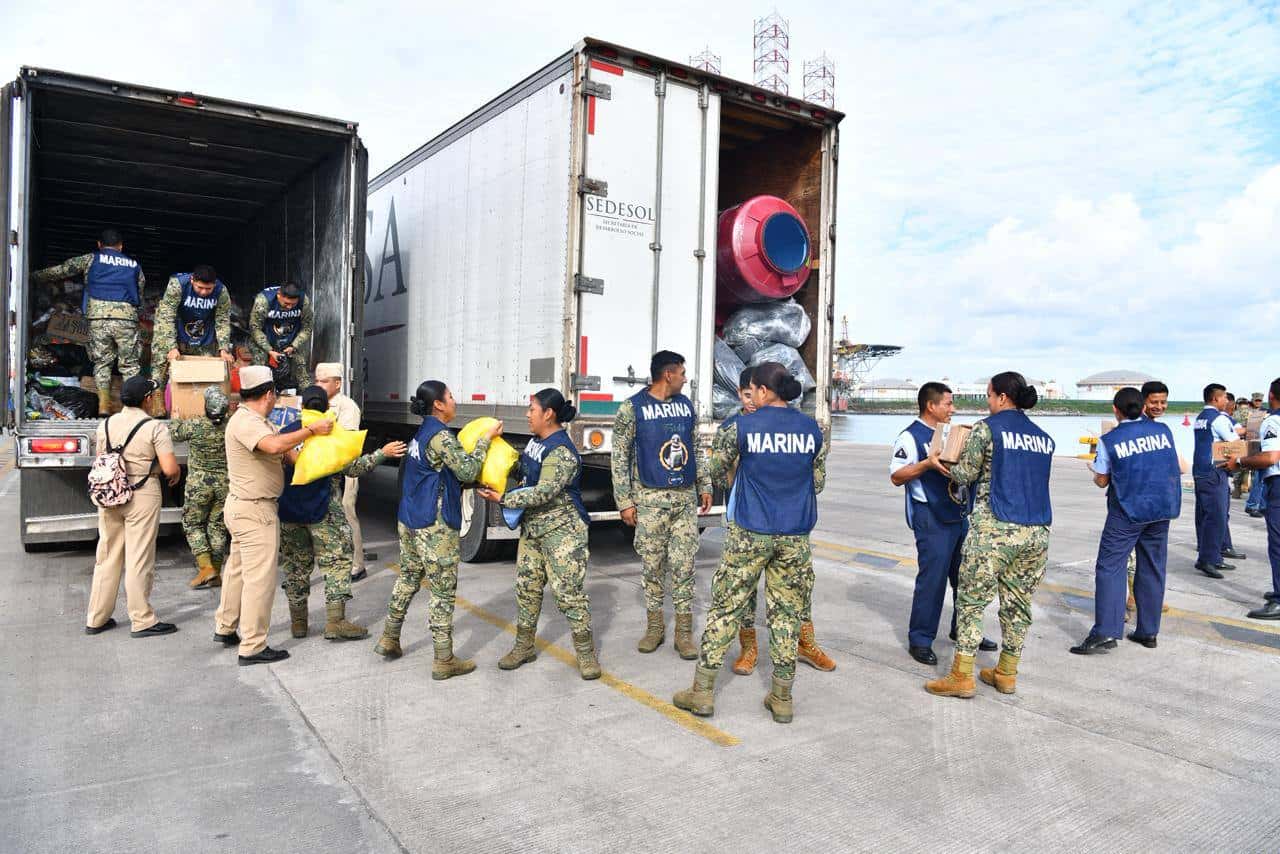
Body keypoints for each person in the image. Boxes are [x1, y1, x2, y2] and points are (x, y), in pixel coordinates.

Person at [673, 362, 828, 723]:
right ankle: (782, 697)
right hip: (795, 535)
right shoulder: (811, 429)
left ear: (762, 391)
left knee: (725, 609)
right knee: (786, 615)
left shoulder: (742, 427)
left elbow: (715, 471)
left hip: (750, 531)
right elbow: (818, 482)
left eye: (754, 389)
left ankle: (702, 692)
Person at [926, 371, 1054, 699]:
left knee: (970, 601)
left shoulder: (987, 429)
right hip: (1037, 531)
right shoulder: (1043, 437)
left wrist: (940, 462)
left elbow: (965, 474)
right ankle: (1006, 673)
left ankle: (961, 676)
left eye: (988, 395)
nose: (988, 401)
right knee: (1018, 603)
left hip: (994, 529)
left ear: (1001, 397)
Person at [373, 380, 498, 679]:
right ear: (439, 405)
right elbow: (467, 470)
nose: (454, 401)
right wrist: (485, 440)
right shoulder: (441, 436)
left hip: (410, 517)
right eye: (450, 397)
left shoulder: (421, 433)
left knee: (408, 578)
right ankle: (444, 659)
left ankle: (389, 637)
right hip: (434, 524)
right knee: (442, 591)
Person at [214, 365, 334, 665]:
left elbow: (287, 455)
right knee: (259, 581)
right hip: (255, 511)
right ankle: (253, 646)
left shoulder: (258, 421)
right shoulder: (247, 422)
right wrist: (311, 430)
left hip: (245, 508)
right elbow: (274, 445)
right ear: (268, 394)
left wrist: (320, 453)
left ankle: (226, 627)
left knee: (237, 571)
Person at [479, 389, 600, 680]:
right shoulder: (537, 442)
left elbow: (544, 491)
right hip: (533, 529)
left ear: (548, 414)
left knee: (568, 595)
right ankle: (524, 647)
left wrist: (503, 499)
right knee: (527, 588)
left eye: (532, 409)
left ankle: (586, 655)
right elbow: (525, 472)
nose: (527, 414)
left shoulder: (561, 451)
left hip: (562, 533)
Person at [279, 385, 406, 642]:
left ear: (302, 406)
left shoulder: (286, 434)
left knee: (295, 567)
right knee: (336, 563)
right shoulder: (333, 435)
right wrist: (382, 453)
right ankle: (335, 622)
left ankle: (299, 623)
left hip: (289, 512)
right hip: (324, 512)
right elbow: (354, 468)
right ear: (327, 407)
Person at [611, 350, 712, 658]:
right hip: (650, 501)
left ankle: (683, 633)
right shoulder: (632, 408)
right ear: (668, 374)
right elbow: (619, 457)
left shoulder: (686, 406)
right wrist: (624, 501)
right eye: (682, 373)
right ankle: (655, 628)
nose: (685, 378)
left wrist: (705, 484)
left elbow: (695, 447)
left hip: (683, 500)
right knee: (652, 567)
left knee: (684, 566)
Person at [889, 382, 995, 665]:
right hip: (932, 517)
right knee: (933, 581)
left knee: (967, 579)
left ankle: (964, 630)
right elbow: (897, 476)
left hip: (959, 514)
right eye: (948, 404)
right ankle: (921, 640)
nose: (953, 409)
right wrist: (926, 464)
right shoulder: (911, 436)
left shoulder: (951, 433)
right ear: (930, 406)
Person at [1071, 387, 1181, 654]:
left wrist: (1094, 470)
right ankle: (1148, 631)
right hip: (1162, 508)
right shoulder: (1163, 431)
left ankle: (1106, 631)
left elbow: (1102, 480)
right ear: (1143, 407)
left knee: (1110, 567)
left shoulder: (1110, 440)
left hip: (1128, 511)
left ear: (1115, 410)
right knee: (1152, 567)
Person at [85, 377, 181, 637]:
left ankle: (96, 618)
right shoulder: (154, 427)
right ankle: (142, 620)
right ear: (147, 399)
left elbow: (102, 460)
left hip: (110, 492)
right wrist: (170, 472)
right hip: (142, 493)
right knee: (139, 558)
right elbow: (170, 468)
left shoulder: (105, 424)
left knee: (107, 556)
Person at [31, 228, 145, 415]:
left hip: (98, 318)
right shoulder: (134, 265)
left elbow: (63, 270)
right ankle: (132, 409)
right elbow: (139, 292)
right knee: (130, 365)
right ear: (121, 246)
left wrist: (34, 276)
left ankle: (104, 406)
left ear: (99, 245)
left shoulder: (91, 259)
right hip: (126, 319)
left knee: (102, 362)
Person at [1224, 378, 1280, 620]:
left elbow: (1270, 457)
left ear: (1271, 395)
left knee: (1278, 545)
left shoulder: (1273, 420)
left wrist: (1238, 461)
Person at [168, 387, 231, 589]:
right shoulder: (231, 426)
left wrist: (175, 418)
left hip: (199, 485)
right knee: (217, 526)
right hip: (224, 484)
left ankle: (206, 567)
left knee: (192, 523)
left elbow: (175, 433)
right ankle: (217, 572)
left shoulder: (195, 424)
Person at [314, 362, 369, 582]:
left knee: (347, 513)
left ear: (338, 384)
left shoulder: (347, 407)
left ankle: (357, 565)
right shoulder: (316, 405)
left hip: (346, 470)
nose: (319, 385)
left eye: (324, 381)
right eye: (317, 381)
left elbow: (346, 443)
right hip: (324, 469)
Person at [1125, 380, 1175, 618]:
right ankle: (1132, 598)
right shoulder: (1137, 428)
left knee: (1144, 557)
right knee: (1132, 556)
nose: (1159, 406)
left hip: (1153, 503)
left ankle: (1142, 597)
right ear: (1142, 402)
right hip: (1134, 503)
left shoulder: (1159, 428)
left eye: (1163, 402)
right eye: (1154, 402)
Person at [150, 264, 234, 391]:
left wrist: (224, 348)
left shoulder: (221, 291)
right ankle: (158, 397)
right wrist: (171, 347)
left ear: (214, 284)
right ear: (192, 280)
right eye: (200, 287)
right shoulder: (178, 285)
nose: (204, 292)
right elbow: (166, 316)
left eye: (208, 288)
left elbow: (222, 320)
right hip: (173, 329)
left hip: (202, 333)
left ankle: (195, 400)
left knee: (206, 372)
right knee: (161, 367)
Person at [1192, 384, 1243, 579]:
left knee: (1205, 515)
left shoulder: (1200, 418)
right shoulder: (1219, 419)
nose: (1227, 401)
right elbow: (1236, 443)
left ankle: (1212, 556)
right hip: (1215, 471)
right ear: (1215, 399)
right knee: (1217, 516)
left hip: (1200, 470)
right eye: (1224, 398)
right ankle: (1208, 560)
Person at [250, 282, 313, 391]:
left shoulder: (304, 301)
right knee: (260, 369)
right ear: (279, 295)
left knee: (300, 366)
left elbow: (307, 327)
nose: (289, 307)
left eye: (293, 304)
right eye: (286, 303)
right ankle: (261, 393)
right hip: (265, 340)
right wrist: (269, 350)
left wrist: (294, 346)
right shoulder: (263, 301)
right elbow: (255, 328)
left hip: (291, 340)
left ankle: (306, 395)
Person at [1246, 391, 1269, 518]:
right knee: (1259, 478)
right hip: (1253, 448)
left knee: (1261, 478)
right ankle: (1253, 505)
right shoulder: (1248, 412)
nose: (1258, 402)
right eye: (1256, 400)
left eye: (1260, 400)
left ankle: (1258, 505)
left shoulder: (1266, 412)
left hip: (1262, 447)